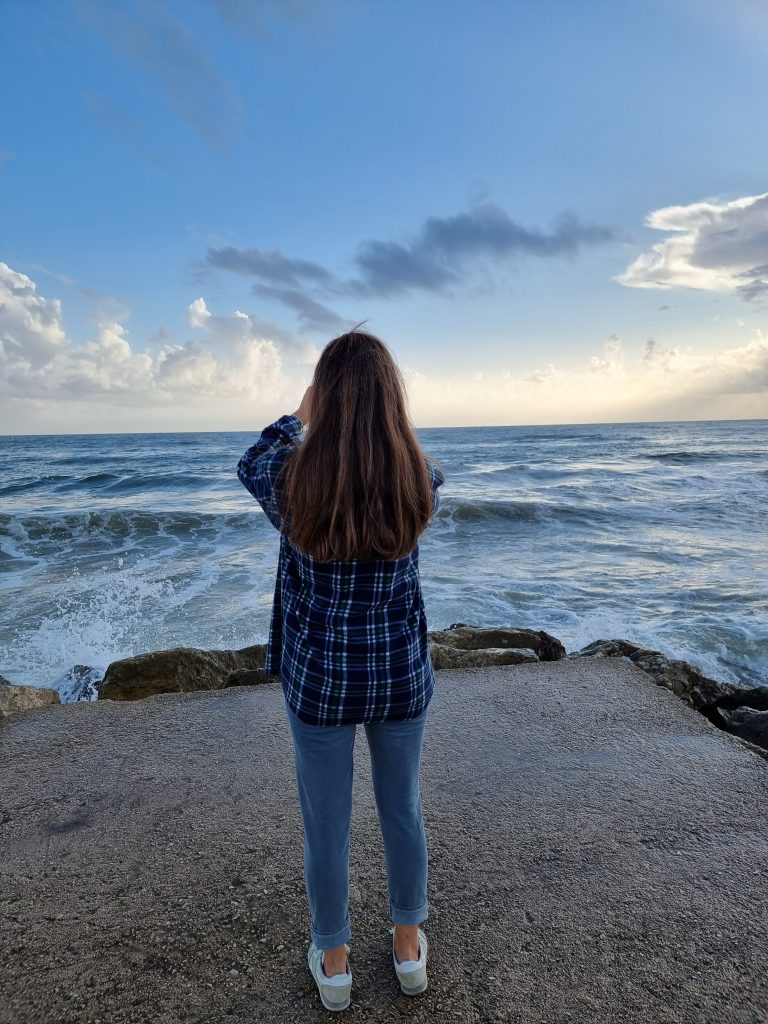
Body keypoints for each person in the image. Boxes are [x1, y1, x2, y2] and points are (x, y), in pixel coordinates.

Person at [236, 327, 445, 1011]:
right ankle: (408, 949)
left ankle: (334, 962)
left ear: (324, 397)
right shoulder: (421, 479)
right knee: (402, 808)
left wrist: (298, 416)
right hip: (398, 676)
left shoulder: (294, 483)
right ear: (392, 400)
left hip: (322, 681)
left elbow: (252, 458)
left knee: (325, 823)